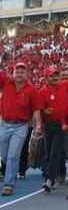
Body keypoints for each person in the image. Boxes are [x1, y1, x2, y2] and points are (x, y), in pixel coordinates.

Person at [38, 62, 68, 192]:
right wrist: (45, 111)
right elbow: (40, 109)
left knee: (54, 152)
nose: (55, 78)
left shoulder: (64, 85)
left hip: (61, 124)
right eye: (52, 76)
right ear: (46, 78)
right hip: (48, 125)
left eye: (56, 75)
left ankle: (49, 180)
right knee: (49, 152)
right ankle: (60, 173)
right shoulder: (42, 92)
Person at [0, 62, 42, 196]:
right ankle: (12, 170)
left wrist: (38, 125)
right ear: (13, 73)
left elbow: (36, 109)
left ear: (27, 74)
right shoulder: (6, 82)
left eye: (22, 72)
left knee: (13, 155)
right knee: (5, 155)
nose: (19, 74)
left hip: (21, 126)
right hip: (5, 124)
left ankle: (8, 184)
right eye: (17, 72)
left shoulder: (32, 90)